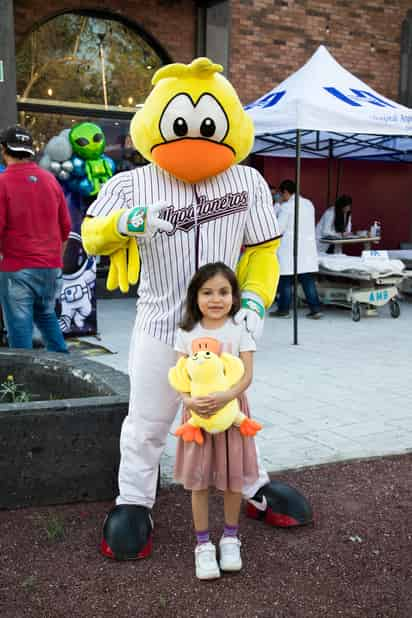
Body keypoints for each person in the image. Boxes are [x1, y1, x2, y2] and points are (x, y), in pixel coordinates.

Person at [82, 58, 313, 561]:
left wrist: (254, 299)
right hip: (160, 321)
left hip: (221, 324)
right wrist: (127, 222)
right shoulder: (130, 184)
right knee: (147, 421)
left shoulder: (247, 183)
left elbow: (261, 253)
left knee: (232, 415)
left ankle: (252, 485)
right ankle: (134, 500)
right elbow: (92, 235)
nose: (194, 135)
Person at [173, 262, 259, 579]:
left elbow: (247, 375)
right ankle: (202, 545)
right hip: (197, 418)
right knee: (199, 480)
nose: (215, 299)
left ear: (234, 297)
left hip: (232, 415)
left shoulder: (239, 330)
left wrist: (227, 397)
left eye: (223, 292)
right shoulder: (185, 333)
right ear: (195, 296)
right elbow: (179, 378)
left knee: (233, 477)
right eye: (207, 292)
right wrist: (188, 401)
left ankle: (231, 537)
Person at [0, 125, 71, 352]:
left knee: (20, 341)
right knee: (48, 320)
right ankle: (67, 378)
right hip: (50, 268)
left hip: (16, 268)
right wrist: (54, 260)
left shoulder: (2, 182)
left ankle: (21, 387)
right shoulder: (51, 180)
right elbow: (65, 228)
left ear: (4, 149)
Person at [271, 179, 322, 319]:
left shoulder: (286, 207)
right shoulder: (308, 204)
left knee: (285, 280)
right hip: (307, 249)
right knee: (307, 280)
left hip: (289, 249)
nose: (280, 197)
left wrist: (277, 207)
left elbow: (278, 228)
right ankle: (316, 309)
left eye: (281, 195)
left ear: (286, 192)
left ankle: (283, 309)